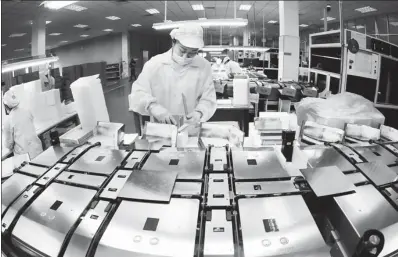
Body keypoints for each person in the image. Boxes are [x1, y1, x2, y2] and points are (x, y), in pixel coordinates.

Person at [129, 24, 217, 125]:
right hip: (160, 127)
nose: (185, 57)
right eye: (182, 51)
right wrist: (153, 107)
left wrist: (199, 113)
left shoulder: (203, 66)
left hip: (189, 127)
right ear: (173, 42)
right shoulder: (155, 64)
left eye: (192, 53)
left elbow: (208, 99)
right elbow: (138, 93)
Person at [3, 89, 43, 159]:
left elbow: (9, 145)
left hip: (25, 157)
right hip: (38, 151)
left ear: (6, 106)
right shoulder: (27, 111)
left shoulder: (8, 121)